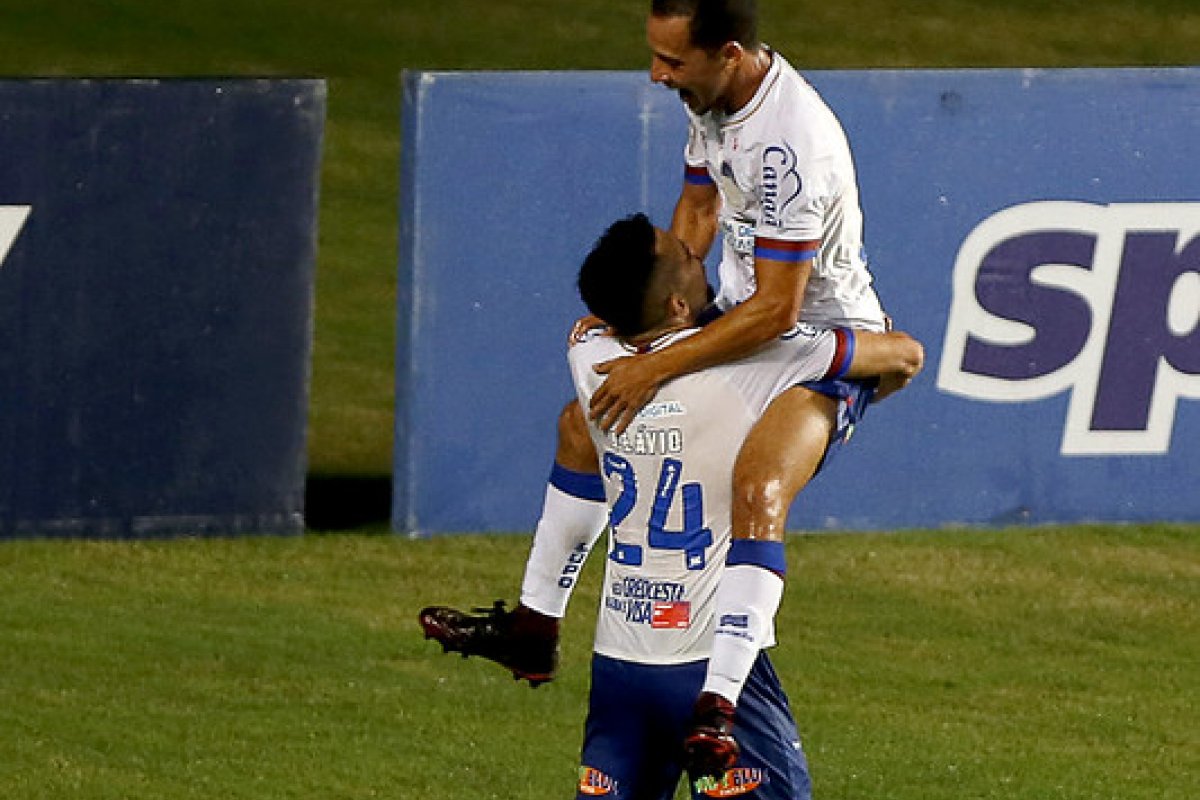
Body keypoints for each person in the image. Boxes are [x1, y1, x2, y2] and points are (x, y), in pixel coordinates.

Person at [421, 214, 924, 799]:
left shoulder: (591, 358)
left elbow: (599, 334)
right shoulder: (762, 365)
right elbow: (904, 355)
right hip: (709, 662)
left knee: (576, 428)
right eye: (686, 256)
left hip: (620, 667)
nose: (696, 251)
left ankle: (537, 621)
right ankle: (677, 687)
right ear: (680, 305)